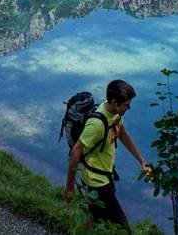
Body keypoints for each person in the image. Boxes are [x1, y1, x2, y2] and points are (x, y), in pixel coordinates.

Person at [64, 79, 152, 231]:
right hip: (96, 182)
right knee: (123, 229)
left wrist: (141, 161)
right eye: (126, 104)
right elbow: (75, 152)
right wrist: (70, 186)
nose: (129, 107)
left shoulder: (114, 113)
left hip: (104, 175)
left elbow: (122, 134)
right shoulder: (96, 124)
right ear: (113, 101)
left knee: (91, 219)